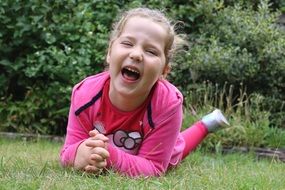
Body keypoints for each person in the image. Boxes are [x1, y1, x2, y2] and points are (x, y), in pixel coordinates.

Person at [60, 7, 230, 177]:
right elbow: (67, 152)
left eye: (151, 51)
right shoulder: (84, 95)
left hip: (163, 146)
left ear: (164, 71)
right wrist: (79, 153)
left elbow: (154, 168)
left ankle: (206, 125)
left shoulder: (168, 104)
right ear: (109, 53)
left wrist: (108, 154)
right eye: (127, 43)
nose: (136, 54)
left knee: (179, 148)